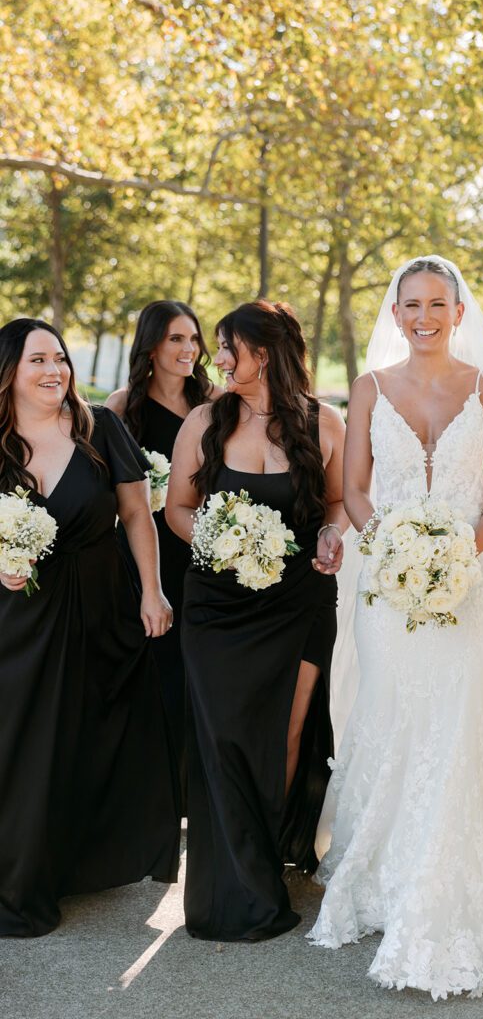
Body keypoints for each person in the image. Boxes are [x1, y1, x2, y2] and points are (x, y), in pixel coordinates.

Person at [308, 256, 483, 999]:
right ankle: (383, 866)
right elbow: (356, 489)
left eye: (437, 303)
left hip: (471, 586)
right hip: (389, 592)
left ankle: (446, 877)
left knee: (458, 721)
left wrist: (459, 555)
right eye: (411, 304)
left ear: (459, 312)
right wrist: (397, 554)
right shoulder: (368, 389)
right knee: (394, 716)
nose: (424, 315)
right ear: (394, 313)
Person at [166, 299, 346, 942]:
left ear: (262, 354)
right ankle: (230, 879)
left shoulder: (325, 422)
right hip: (216, 603)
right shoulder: (205, 421)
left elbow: (336, 503)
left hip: (299, 602)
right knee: (224, 734)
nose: (216, 359)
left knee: (288, 734)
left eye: (226, 348)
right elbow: (178, 509)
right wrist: (223, 542)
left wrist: (330, 534)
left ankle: (266, 855)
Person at [0, 318, 180, 937]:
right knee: (21, 742)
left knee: (90, 733)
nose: (55, 371)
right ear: (10, 374)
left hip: (102, 603)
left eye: (60, 358)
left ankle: (74, 861)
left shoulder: (99, 427)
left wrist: (152, 592)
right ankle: (17, 875)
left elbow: (136, 514)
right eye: (37, 361)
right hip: (18, 617)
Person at [107, 300, 220, 803]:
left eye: (193, 339)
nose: (188, 350)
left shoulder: (215, 403)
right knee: (151, 672)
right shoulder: (121, 405)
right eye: (176, 338)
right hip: (140, 559)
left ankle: (192, 790)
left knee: (196, 673)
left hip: (198, 550)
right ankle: (150, 794)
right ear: (151, 344)